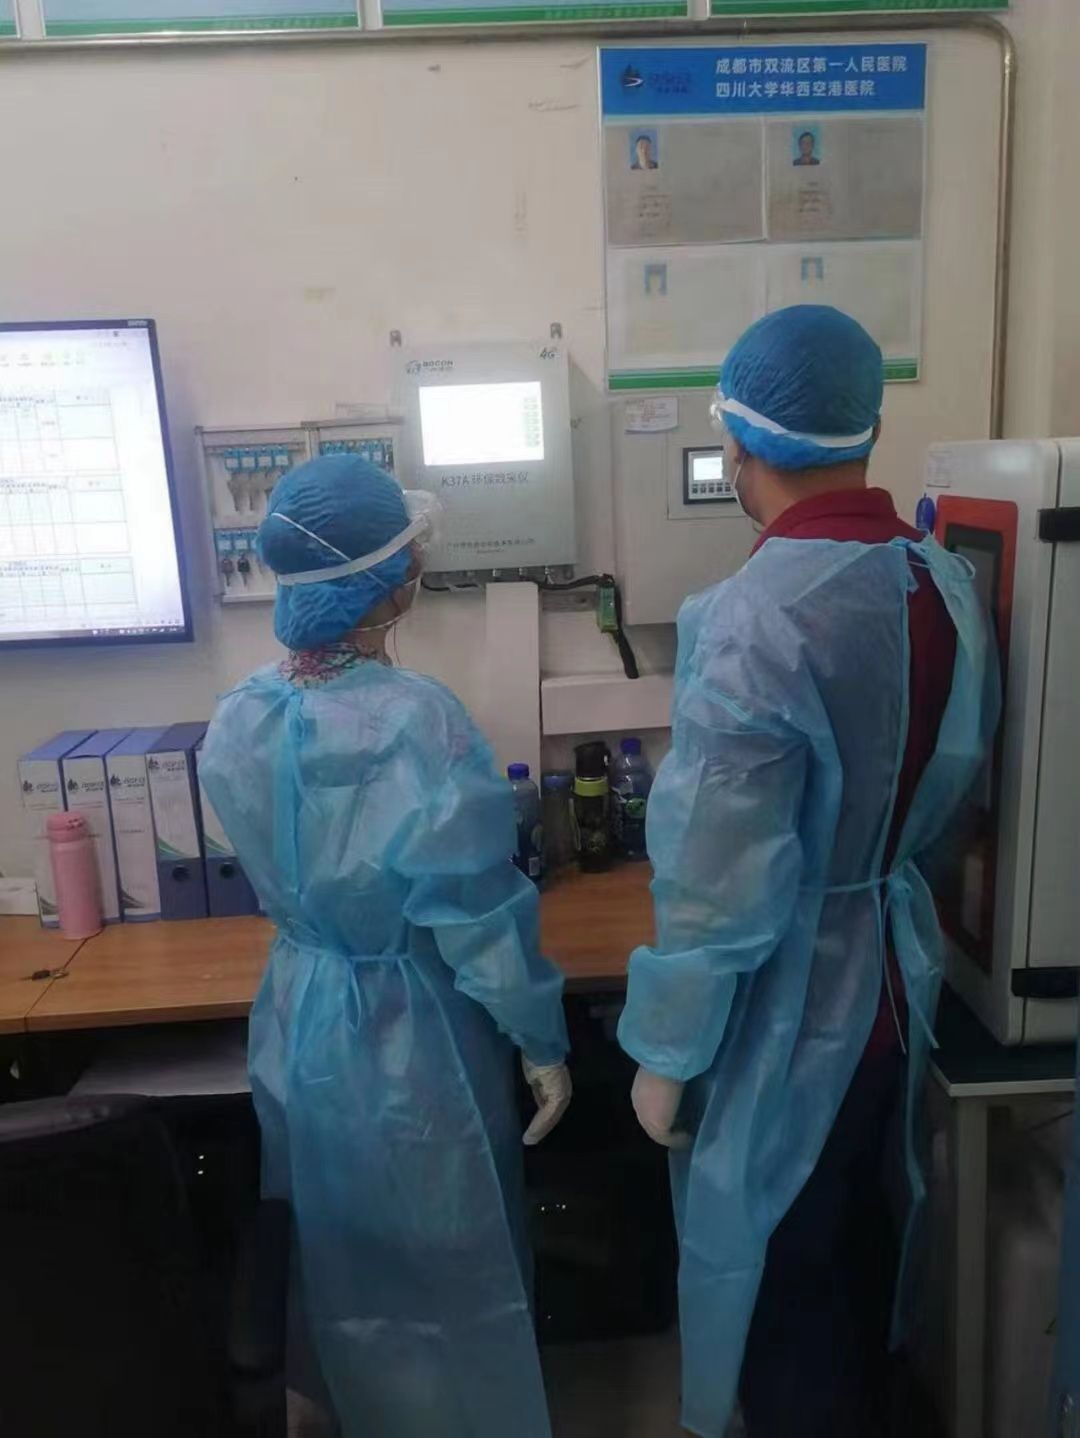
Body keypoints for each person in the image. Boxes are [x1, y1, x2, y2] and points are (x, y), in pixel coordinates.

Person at [618, 305, 999, 1438]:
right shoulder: (942, 582)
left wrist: (668, 1051)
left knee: (786, 1289)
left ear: (739, 444)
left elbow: (716, 878)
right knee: (858, 1256)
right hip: (895, 982)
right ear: (865, 430)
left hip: (783, 1014)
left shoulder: (750, 619)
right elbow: (950, 785)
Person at [199, 454, 571, 1438]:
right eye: (409, 553)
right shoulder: (419, 722)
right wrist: (540, 1038)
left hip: (299, 1013)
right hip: (413, 1029)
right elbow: (478, 910)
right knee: (445, 1251)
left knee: (330, 1241)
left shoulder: (239, 717)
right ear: (387, 582)